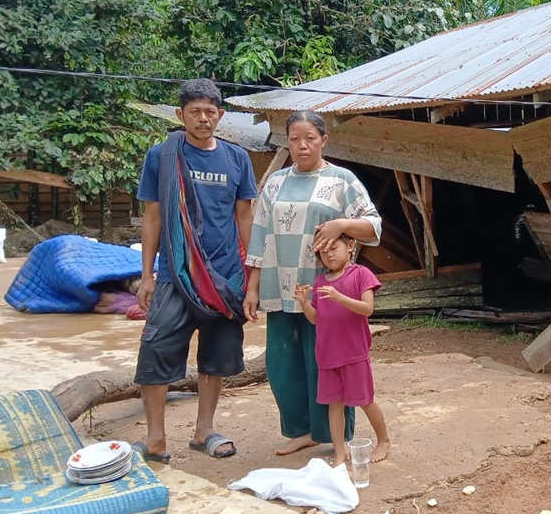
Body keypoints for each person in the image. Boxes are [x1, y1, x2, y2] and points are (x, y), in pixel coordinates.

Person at [243, 110, 382, 456]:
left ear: (324, 140)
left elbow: (373, 226)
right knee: (284, 365)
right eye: (294, 139)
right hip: (281, 286)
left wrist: (341, 225)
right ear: (286, 141)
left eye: (310, 138)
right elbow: (260, 237)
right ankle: (301, 430)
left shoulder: (342, 180)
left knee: (325, 362)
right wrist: (253, 288)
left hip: (327, 292)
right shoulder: (275, 183)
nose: (302, 146)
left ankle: (333, 436)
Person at [133, 78, 257, 462]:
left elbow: (245, 218)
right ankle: (155, 440)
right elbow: (152, 217)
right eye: (194, 112)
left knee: (216, 358)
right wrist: (148, 274)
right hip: (174, 275)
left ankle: (204, 431)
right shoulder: (162, 156)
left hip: (224, 278)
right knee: (155, 352)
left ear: (220, 115)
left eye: (209, 112)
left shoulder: (238, 158)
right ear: (180, 115)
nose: (203, 119)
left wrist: (251, 278)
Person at [295, 234, 391, 465]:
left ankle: (384, 441)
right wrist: (304, 303)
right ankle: (339, 451)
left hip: (354, 352)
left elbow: (367, 309)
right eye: (323, 252)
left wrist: (339, 297)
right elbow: (317, 319)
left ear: (349, 247)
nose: (328, 255)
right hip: (327, 354)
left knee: (365, 400)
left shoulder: (361, 274)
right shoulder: (320, 282)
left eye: (333, 248)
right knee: (334, 403)